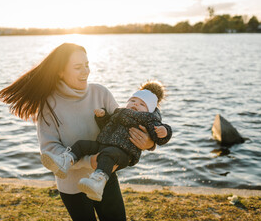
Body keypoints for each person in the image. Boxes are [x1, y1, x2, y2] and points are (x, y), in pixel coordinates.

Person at [0, 43, 159, 221]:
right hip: (72, 188)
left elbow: (126, 126)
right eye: (78, 67)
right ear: (60, 71)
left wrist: (150, 143)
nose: (86, 71)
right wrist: (90, 161)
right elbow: (49, 149)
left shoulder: (101, 93)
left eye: (87, 65)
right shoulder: (49, 105)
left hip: (104, 177)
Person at [41, 80, 172, 201]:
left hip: (123, 152)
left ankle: (98, 181)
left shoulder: (148, 118)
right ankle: (66, 161)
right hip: (103, 144)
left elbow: (158, 135)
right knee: (82, 144)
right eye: (133, 101)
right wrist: (102, 116)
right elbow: (108, 125)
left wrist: (163, 132)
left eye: (142, 104)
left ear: (149, 109)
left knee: (107, 155)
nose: (135, 104)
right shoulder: (120, 112)